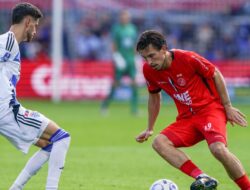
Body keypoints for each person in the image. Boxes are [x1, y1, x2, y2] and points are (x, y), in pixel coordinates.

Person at [135, 30, 250, 190]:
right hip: (187, 118)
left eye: (152, 55)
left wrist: (227, 106)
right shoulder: (149, 71)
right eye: (144, 57)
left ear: (163, 49)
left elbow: (215, 73)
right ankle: (202, 177)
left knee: (218, 149)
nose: (149, 61)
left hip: (210, 110)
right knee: (159, 143)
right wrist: (150, 128)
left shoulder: (187, 58)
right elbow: (154, 97)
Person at [0, 3, 71, 190]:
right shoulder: (8, 40)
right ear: (28, 22)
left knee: (49, 144)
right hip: (7, 111)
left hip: (6, 112)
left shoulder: (12, 45)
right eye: (36, 25)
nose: (36, 30)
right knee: (62, 138)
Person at [101, 10, 138, 115]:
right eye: (122, 16)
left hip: (130, 60)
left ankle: (134, 109)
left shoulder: (132, 28)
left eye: (126, 16)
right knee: (116, 83)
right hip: (121, 60)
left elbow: (135, 44)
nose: (124, 18)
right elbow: (114, 44)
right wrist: (116, 57)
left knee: (134, 83)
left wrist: (136, 58)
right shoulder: (116, 29)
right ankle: (105, 105)